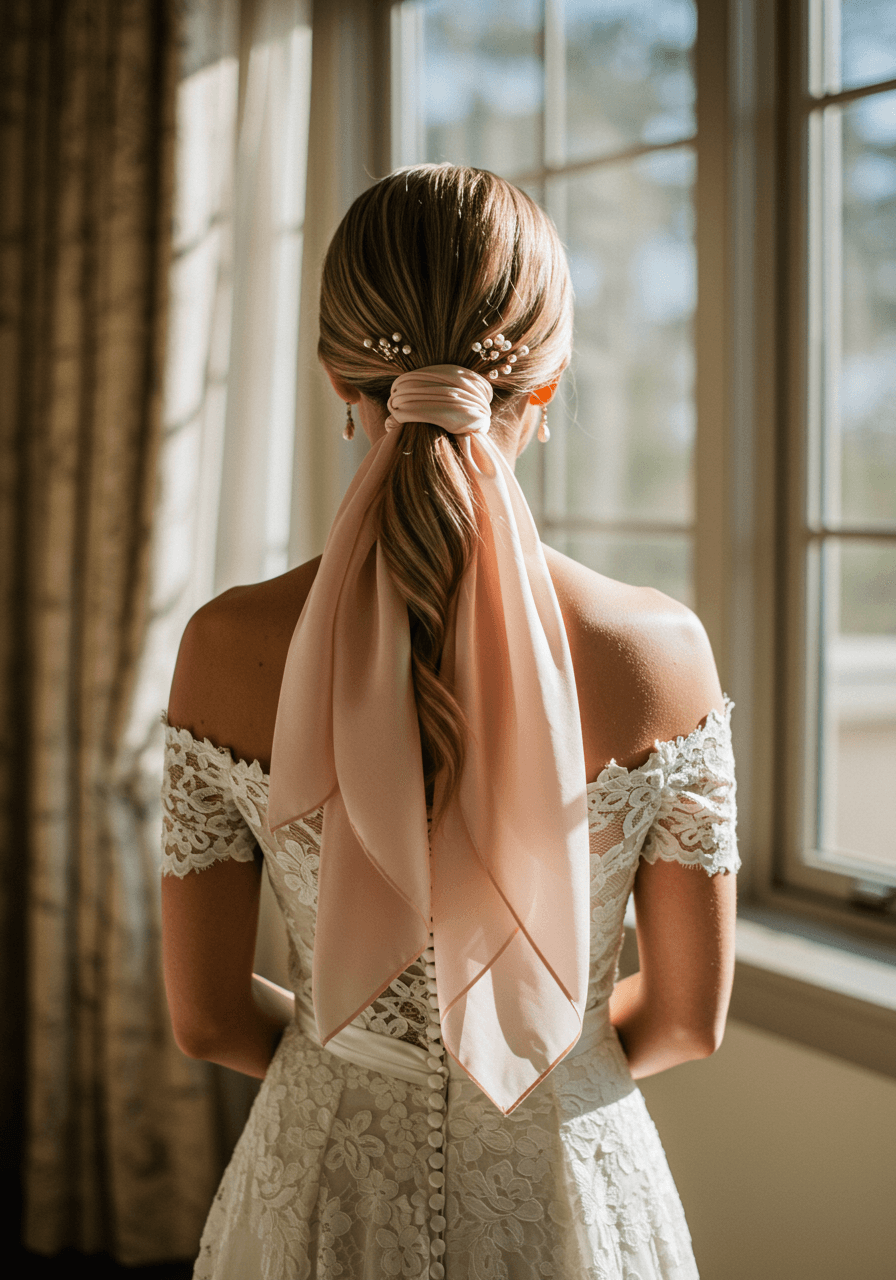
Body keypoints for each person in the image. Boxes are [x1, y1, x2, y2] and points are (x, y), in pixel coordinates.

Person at [161, 163, 738, 1280]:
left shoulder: (224, 647)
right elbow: (684, 1017)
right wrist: (546, 1059)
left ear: (338, 377)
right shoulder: (658, 652)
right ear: (549, 383)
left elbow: (206, 1018)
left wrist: (351, 1063)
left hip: (320, 1180)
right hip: (570, 1187)